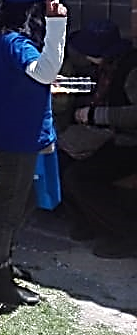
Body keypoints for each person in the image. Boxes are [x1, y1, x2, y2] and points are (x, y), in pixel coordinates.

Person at [0, 0, 67, 306]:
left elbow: (34, 78)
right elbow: (45, 72)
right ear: (34, 9)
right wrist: (59, 25)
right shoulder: (15, 42)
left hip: (19, 132)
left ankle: (4, 264)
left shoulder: (7, 38)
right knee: (7, 210)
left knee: (22, 201)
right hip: (14, 140)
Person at [60, 19, 137, 258]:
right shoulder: (106, 68)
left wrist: (95, 115)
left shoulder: (131, 70)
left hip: (128, 143)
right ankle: (87, 222)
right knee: (59, 159)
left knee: (80, 178)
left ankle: (127, 235)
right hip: (107, 136)